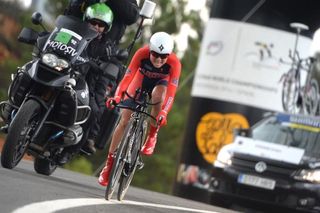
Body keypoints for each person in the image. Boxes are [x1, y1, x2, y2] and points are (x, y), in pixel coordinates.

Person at [98, 32, 182, 186]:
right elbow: (127, 78)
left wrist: (164, 112)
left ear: (168, 55)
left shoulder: (174, 63)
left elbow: (171, 92)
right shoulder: (141, 53)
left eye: (163, 56)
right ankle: (109, 165)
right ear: (150, 50)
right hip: (141, 78)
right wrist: (118, 97)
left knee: (158, 96)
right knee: (124, 120)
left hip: (161, 83)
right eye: (155, 54)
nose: (158, 59)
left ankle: (152, 135)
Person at [63, 0, 139, 155]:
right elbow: (73, 6)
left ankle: (88, 135)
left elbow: (132, 15)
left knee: (97, 95)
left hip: (106, 51)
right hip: (75, 38)